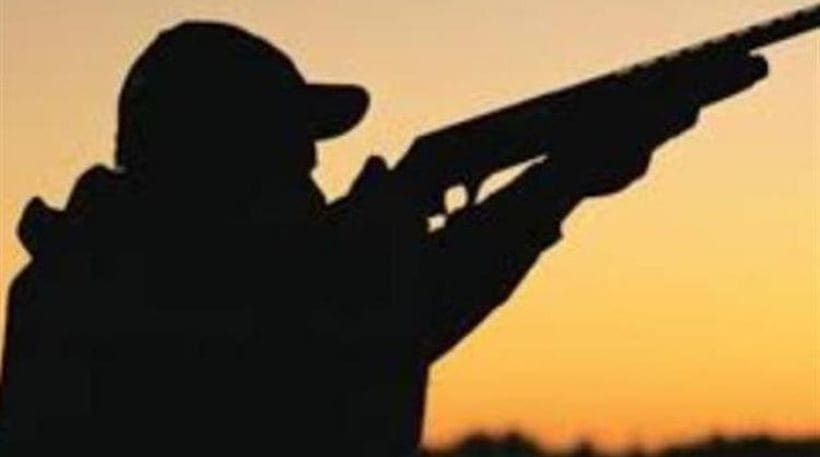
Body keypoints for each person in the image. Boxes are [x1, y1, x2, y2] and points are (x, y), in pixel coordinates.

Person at [0, 21, 767, 456]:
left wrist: (559, 179)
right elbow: (332, 349)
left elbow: (372, 308)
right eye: (288, 162)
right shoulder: (100, 294)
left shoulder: (93, 267)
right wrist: (550, 183)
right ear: (218, 166)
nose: (311, 186)